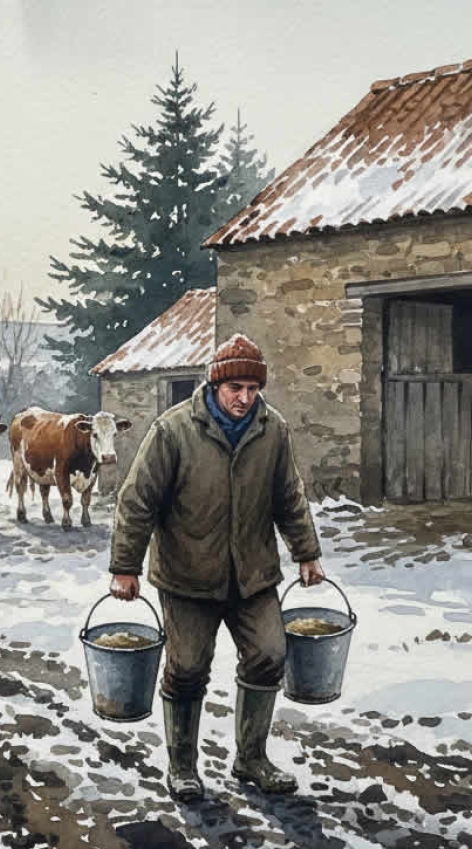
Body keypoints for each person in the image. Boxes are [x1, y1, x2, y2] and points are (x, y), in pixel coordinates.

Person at [107, 332, 326, 801]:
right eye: (235, 389)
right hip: (188, 574)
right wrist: (125, 565)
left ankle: (251, 758)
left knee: (269, 654)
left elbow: (289, 495)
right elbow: (137, 500)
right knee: (186, 668)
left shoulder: (273, 430)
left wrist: (306, 552)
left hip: (252, 573)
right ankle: (183, 766)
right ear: (215, 385)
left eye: (252, 389)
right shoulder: (174, 430)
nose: (245, 399)